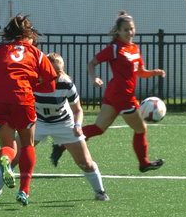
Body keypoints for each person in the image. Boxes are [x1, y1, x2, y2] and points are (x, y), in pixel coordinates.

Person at [0, 52, 109, 203]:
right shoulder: (31, 81)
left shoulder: (66, 84)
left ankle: (100, 191)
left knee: (85, 163)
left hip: (63, 123)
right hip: (38, 122)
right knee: (12, 158)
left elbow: (78, 110)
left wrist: (77, 125)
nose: (54, 76)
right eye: (51, 71)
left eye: (58, 72)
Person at [51, 11, 165, 173]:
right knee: (141, 129)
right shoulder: (114, 48)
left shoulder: (134, 49)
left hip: (117, 94)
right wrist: (94, 78)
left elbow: (140, 72)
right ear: (118, 31)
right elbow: (92, 63)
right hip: (122, 95)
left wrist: (153, 72)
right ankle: (144, 163)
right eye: (126, 30)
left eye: (131, 29)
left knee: (98, 128)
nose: (129, 32)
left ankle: (62, 144)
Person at [0, 15, 57, 206]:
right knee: (27, 145)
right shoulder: (36, 53)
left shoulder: (0, 48)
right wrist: (33, 86)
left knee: (8, 145)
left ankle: (6, 159)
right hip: (22, 98)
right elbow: (51, 83)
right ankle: (24, 191)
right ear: (30, 35)